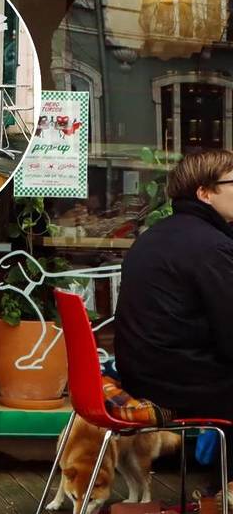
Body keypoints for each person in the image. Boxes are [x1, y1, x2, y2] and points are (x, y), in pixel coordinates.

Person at [114, 149, 233, 495]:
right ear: (204, 192)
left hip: (145, 373)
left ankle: (219, 492)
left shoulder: (158, 234)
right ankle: (222, 493)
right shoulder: (210, 246)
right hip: (175, 381)